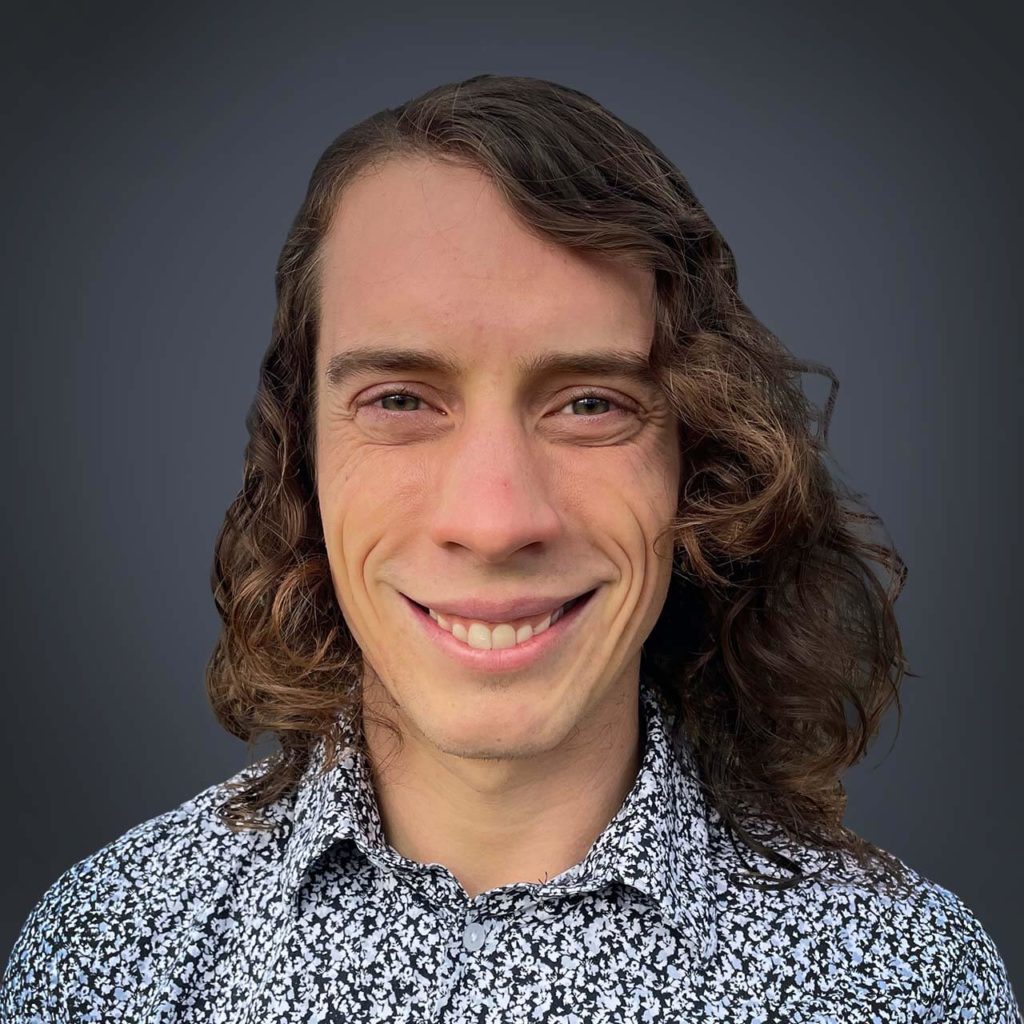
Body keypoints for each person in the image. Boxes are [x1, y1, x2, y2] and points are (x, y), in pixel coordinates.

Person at [2, 73, 1019, 1023]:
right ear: (302, 455)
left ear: (698, 462)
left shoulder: (907, 981)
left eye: (590, 403)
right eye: (400, 400)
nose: (494, 522)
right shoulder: (105, 954)